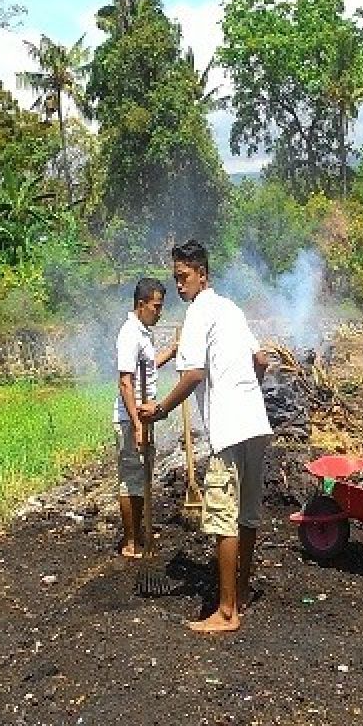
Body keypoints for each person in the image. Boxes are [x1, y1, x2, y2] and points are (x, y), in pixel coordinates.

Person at [138, 240, 272, 634]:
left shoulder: (198, 313)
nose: (179, 286)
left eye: (184, 278)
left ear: (202, 276)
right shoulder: (231, 308)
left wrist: (160, 409)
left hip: (229, 430)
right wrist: (246, 392)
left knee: (222, 518)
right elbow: (260, 360)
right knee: (247, 516)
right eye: (176, 279)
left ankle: (226, 612)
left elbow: (193, 374)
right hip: (254, 423)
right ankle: (242, 595)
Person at [114, 277, 177, 558]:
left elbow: (147, 368)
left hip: (142, 415)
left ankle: (139, 533)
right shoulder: (129, 333)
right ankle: (130, 542)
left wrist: (172, 352)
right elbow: (126, 382)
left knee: (141, 476)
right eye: (156, 306)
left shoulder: (142, 332)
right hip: (131, 418)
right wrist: (137, 425)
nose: (159, 312)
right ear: (141, 305)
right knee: (131, 478)